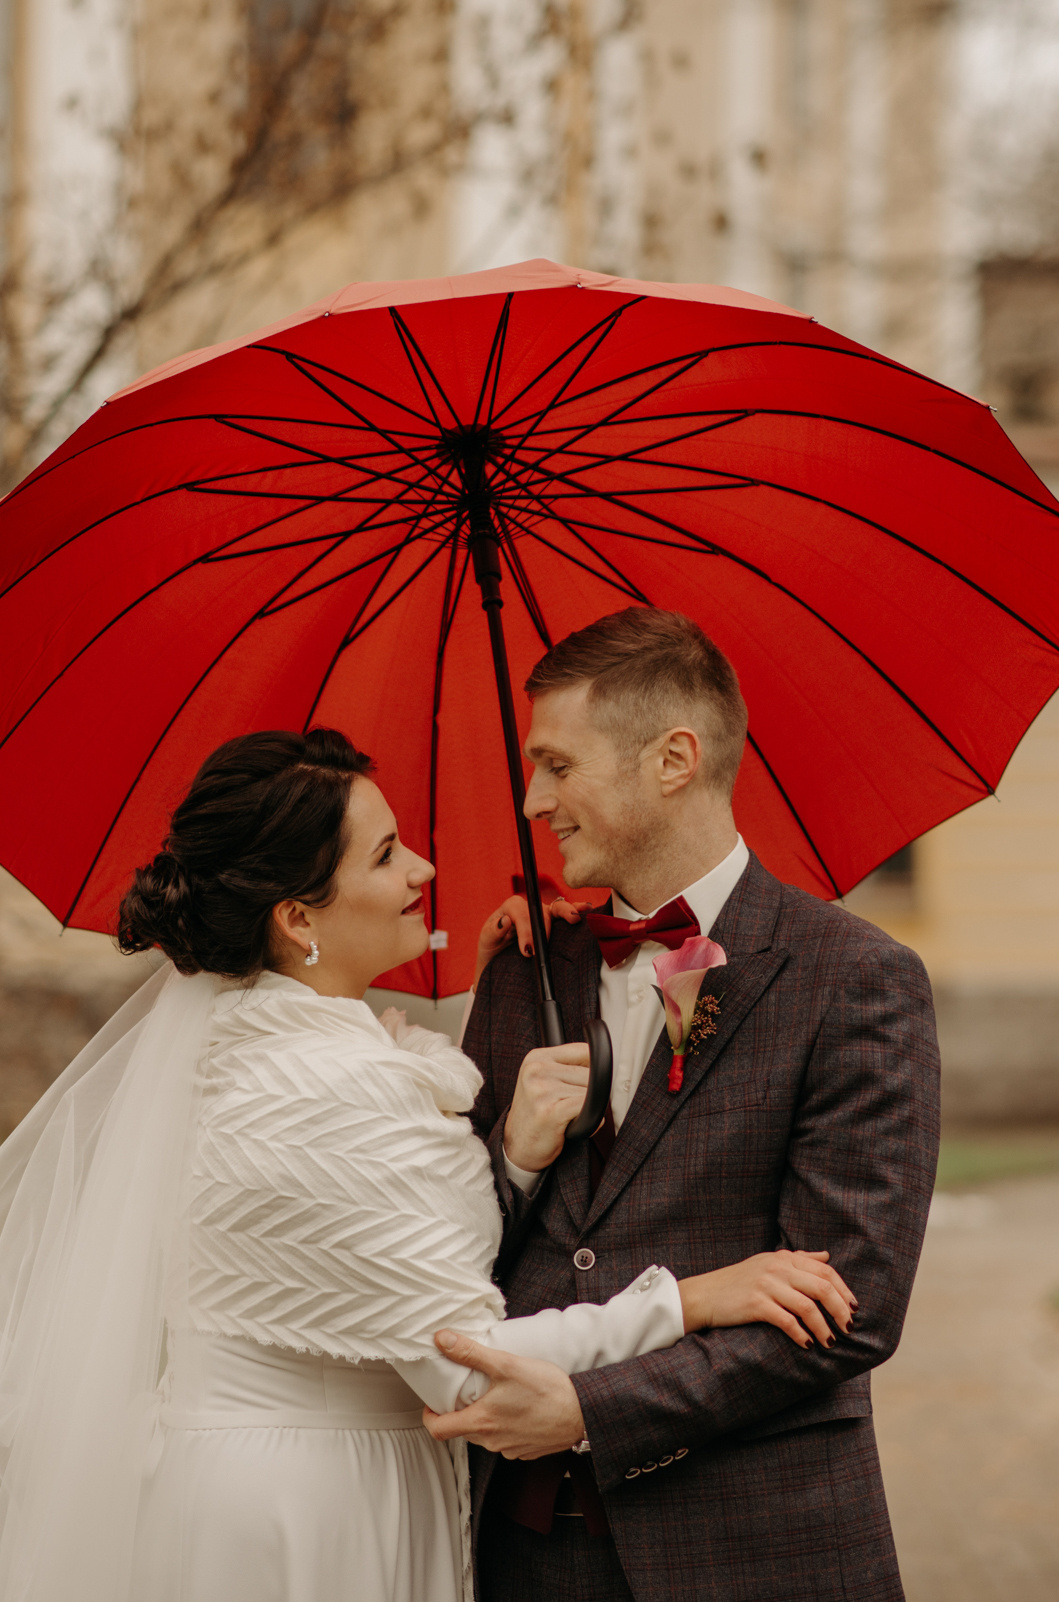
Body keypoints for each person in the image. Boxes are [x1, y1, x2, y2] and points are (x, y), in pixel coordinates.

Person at [0, 728, 857, 1602]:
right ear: (297, 919)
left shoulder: (258, 1048)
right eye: (388, 854)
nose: (424, 869)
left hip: (271, 1481)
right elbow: (466, 1367)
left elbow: (386, 1262)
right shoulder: (324, 1086)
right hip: (306, 1514)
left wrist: (515, 1158)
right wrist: (692, 1301)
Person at [430, 607, 941, 1601]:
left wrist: (593, 1409)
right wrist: (513, 1160)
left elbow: (851, 1304)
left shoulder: (854, 978)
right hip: (520, 1555)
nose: (534, 800)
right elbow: (450, 1253)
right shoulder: (522, 970)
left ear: (673, 759)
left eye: (558, 766)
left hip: (750, 1550)